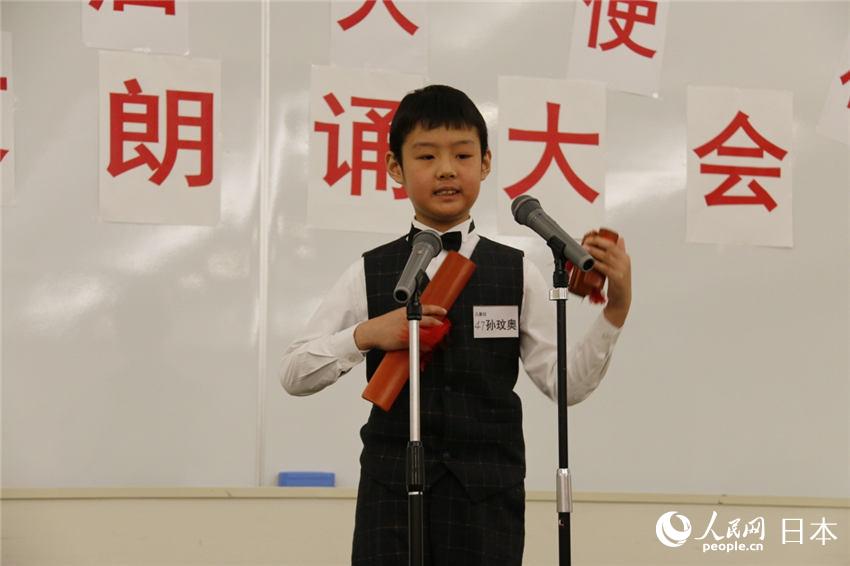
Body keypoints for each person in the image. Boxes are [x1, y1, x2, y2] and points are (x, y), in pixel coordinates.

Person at [280, 84, 632, 566]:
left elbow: (565, 384)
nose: (446, 169)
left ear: (485, 163)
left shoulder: (517, 272)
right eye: (426, 156)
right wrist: (367, 335)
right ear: (395, 168)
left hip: (486, 502)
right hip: (391, 497)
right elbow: (294, 373)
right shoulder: (370, 270)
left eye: (462, 155)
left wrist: (616, 309)